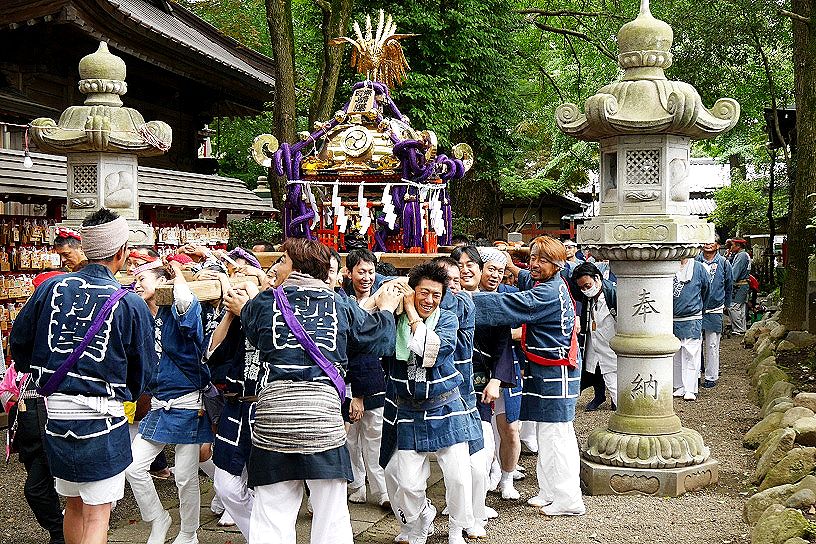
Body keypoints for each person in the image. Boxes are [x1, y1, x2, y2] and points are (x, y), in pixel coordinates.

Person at [241, 238, 401, 544]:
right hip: (323, 420)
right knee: (331, 515)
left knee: (271, 513)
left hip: (274, 418)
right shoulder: (340, 303)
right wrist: (386, 310)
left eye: (283, 259)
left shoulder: (263, 303)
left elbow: (251, 329)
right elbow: (379, 341)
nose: (276, 265)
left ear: (298, 266)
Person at [10, 208, 155, 544]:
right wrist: (127, 392)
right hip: (102, 418)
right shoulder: (130, 303)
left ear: (86, 248)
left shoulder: (51, 287)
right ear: (121, 252)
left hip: (56, 417)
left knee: (73, 506)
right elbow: (143, 373)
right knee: (97, 515)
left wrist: (42, 372)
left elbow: (19, 343)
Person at [473, 235, 585, 517]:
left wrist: (464, 299)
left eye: (543, 260)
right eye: (532, 258)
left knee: (557, 435)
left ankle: (568, 499)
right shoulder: (550, 282)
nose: (534, 264)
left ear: (558, 265)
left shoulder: (547, 292)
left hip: (557, 369)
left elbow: (510, 304)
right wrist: (513, 266)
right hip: (546, 366)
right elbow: (526, 278)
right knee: (547, 433)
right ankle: (550, 491)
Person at [380, 263, 481, 544]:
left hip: (446, 405)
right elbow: (369, 321)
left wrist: (412, 313)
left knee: (459, 477)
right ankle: (423, 516)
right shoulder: (394, 320)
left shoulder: (448, 319)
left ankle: (456, 529)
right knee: (407, 483)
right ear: (412, 291)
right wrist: (397, 299)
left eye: (436, 295)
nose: (429, 300)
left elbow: (432, 350)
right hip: (408, 409)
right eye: (423, 292)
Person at [126, 256, 211, 544]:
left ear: (163, 281)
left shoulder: (179, 309)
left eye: (142, 279)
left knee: (185, 477)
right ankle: (158, 518)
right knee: (134, 467)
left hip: (187, 402)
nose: (137, 284)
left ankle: (189, 533)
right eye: (135, 280)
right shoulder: (142, 315)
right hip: (159, 404)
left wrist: (179, 277)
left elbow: (186, 306)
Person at [432, 256, 491, 538]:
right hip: (429, 399)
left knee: (476, 465)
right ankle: (420, 521)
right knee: (405, 470)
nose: (454, 285)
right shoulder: (421, 308)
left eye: (456, 280)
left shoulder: (464, 303)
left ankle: (474, 516)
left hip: (464, 397)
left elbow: (449, 313)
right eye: (447, 280)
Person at [343, 248, 390, 507]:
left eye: (371, 272)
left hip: (375, 379)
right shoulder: (343, 301)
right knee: (350, 439)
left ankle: (382, 491)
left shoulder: (383, 301)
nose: (367, 277)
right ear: (349, 273)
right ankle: (357, 485)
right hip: (349, 380)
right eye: (361, 272)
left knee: (375, 438)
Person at [572, 262, 618, 411]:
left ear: (597, 278)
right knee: (597, 372)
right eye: (582, 288)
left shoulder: (613, 294)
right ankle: (602, 397)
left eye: (588, 285)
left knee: (616, 382)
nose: (586, 290)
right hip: (595, 343)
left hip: (613, 347)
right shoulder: (589, 297)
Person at [696, 238, 733, 388]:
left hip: (715, 307)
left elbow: (729, 284)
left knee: (712, 344)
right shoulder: (695, 261)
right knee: (695, 344)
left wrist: (727, 304)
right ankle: (695, 375)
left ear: (718, 245)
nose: (708, 244)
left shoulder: (724, 263)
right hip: (696, 307)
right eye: (705, 241)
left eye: (712, 241)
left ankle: (711, 376)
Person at [672, 257, 710, 402]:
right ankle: (679, 386)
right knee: (675, 354)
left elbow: (706, 290)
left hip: (692, 316)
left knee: (691, 354)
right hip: (672, 317)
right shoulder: (669, 265)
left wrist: (699, 309)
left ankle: (690, 388)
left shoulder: (699, 268)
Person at [728, 238, 751, 335]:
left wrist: (728, 283)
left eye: (732, 245)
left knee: (733, 307)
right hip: (743, 284)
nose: (731, 247)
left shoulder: (741, 256)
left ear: (738, 246)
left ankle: (739, 328)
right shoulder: (743, 255)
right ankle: (742, 328)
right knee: (740, 307)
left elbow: (734, 273)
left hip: (740, 285)